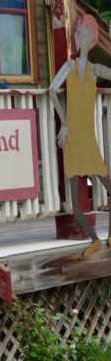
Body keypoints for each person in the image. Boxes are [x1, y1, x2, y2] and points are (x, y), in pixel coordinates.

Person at [49, 14, 111, 257]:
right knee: (74, 201)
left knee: (107, 183)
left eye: (88, 34)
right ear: (77, 38)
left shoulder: (96, 69)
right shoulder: (69, 66)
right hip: (73, 136)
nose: (84, 37)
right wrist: (63, 123)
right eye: (81, 32)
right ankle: (94, 239)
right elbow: (53, 90)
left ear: (93, 39)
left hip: (89, 137)